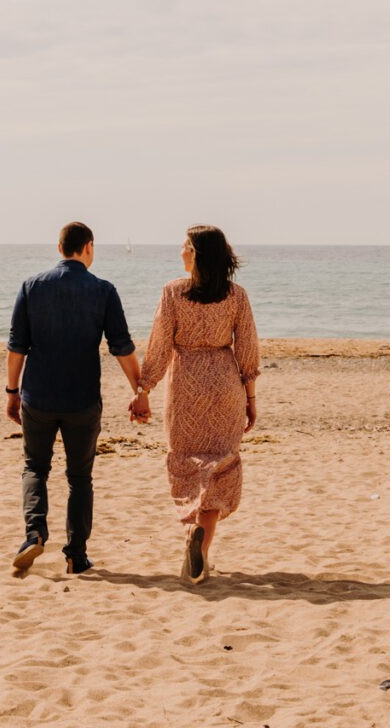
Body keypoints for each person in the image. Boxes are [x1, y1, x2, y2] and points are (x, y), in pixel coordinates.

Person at [6, 221, 141, 575]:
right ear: (89, 247)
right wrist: (139, 391)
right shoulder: (103, 290)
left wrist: (11, 391)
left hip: (38, 397)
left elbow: (16, 346)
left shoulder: (32, 286)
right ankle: (76, 555)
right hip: (82, 400)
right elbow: (121, 348)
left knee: (35, 467)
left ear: (60, 247)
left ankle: (34, 533)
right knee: (80, 478)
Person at [129, 225, 260, 584]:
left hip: (186, 383)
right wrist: (250, 398)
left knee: (187, 460)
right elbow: (247, 349)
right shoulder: (237, 296)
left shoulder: (173, 293)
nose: (180, 252)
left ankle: (194, 537)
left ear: (198, 254)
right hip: (224, 383)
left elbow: (158, 346)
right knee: (221, 464)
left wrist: (144, 390)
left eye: (185, 247)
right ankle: (200, 547)